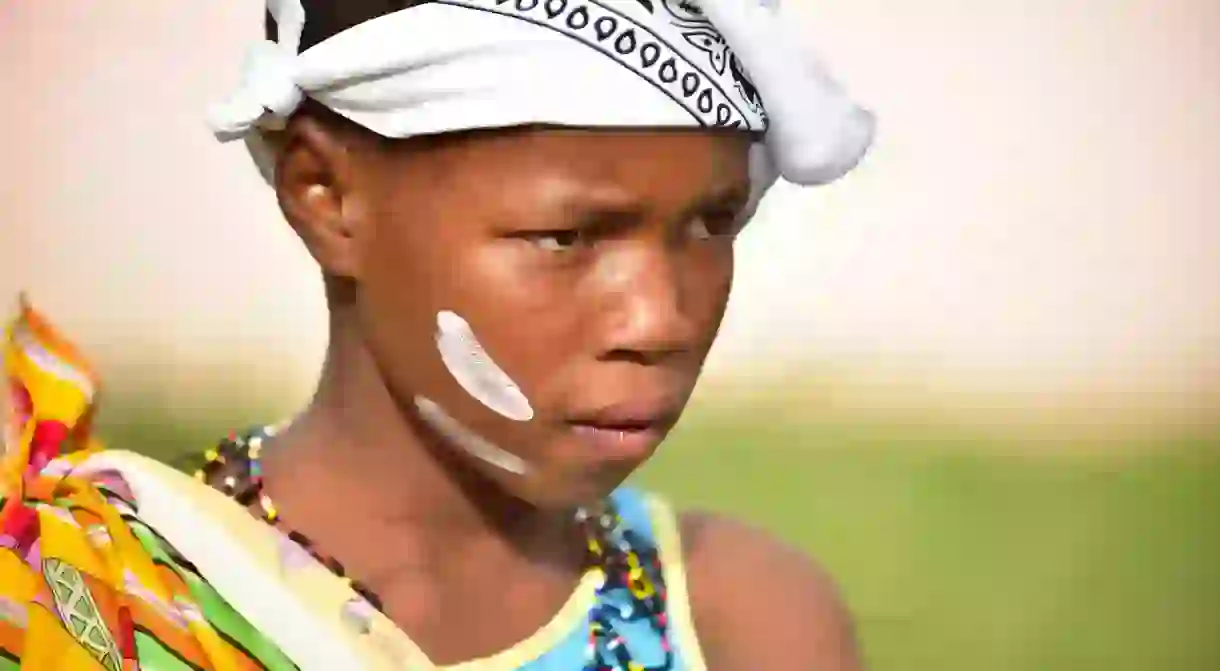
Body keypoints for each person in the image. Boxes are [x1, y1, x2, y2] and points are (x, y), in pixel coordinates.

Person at [0, 0, 875, 668]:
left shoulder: (742, 624)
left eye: (712, 222)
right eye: (566, 236)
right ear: (327, 196)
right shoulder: (98, 608)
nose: (661, 317)